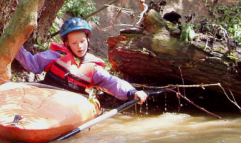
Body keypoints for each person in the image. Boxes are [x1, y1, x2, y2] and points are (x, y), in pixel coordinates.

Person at [15, 17, 148, 104]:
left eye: (82, 41)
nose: (79, 46)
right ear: (66, 44)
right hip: (46, 97)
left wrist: (132, 92)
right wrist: (13, 45)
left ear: (87, 39)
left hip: (70, 106)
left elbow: (112, 82)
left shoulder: (93, 68)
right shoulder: (56, 56)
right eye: (74, 43)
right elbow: (32, 63)